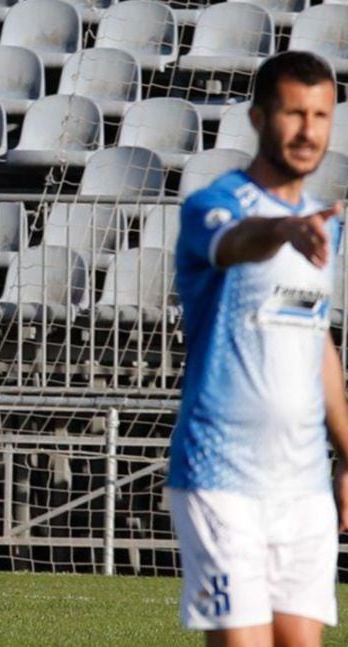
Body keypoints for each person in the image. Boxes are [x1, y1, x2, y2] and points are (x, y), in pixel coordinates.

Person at [170, 50, 348, 646]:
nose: (308, 131)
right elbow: (237, 241)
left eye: (320, 115)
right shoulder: (214, 206)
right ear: (258, 118)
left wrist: (347, 453)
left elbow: (315, 339)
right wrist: (281, 229)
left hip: (302, 482)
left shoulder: (324, 224)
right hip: (221, 474)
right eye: (293, 113)